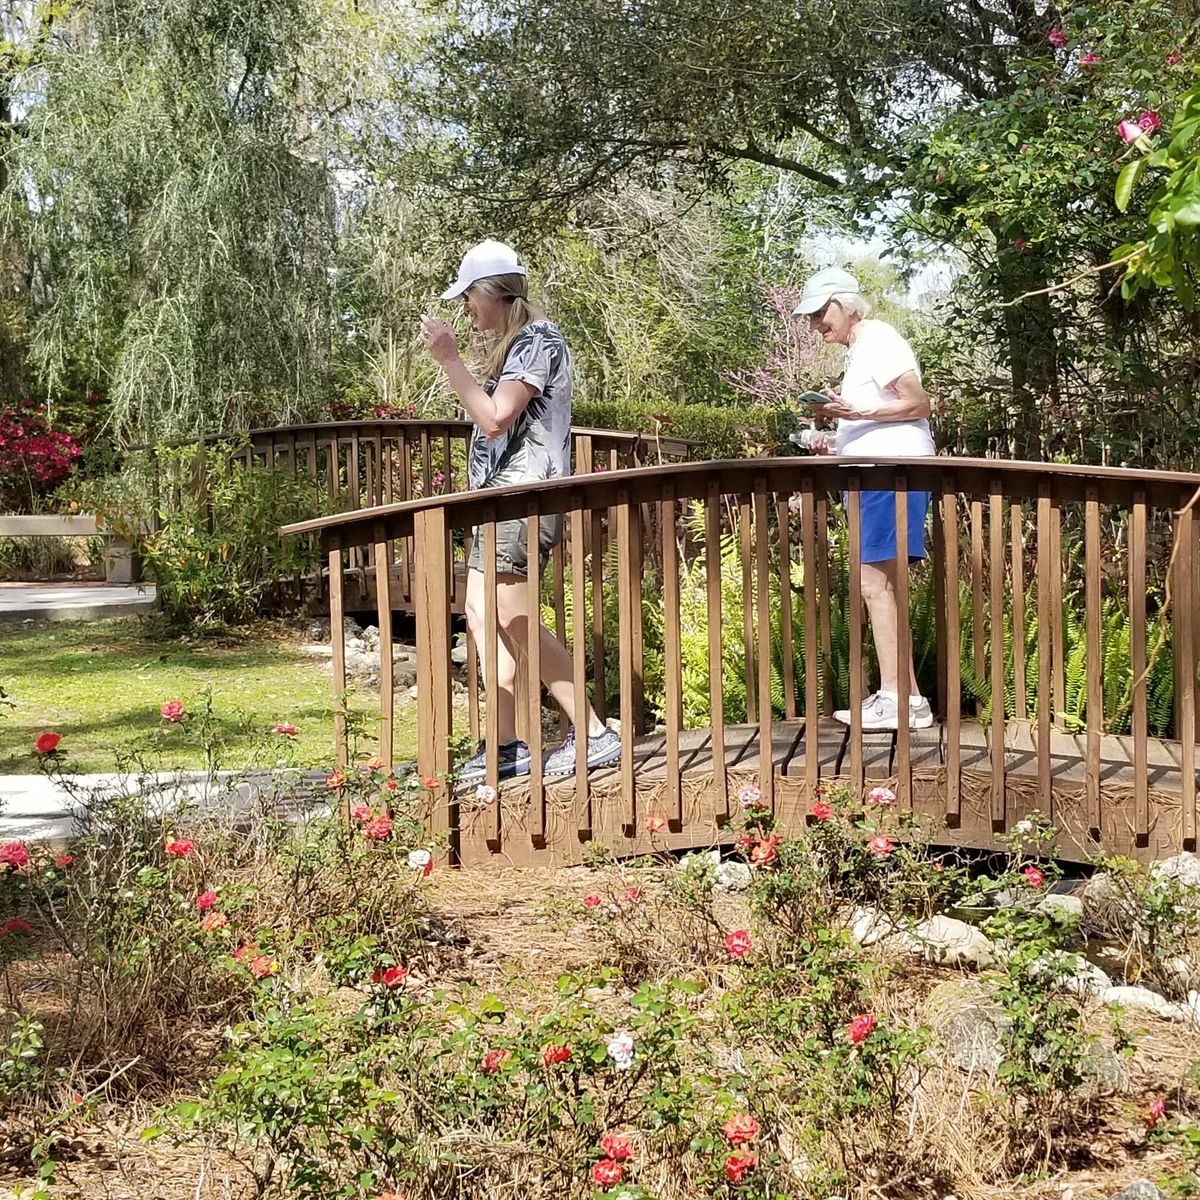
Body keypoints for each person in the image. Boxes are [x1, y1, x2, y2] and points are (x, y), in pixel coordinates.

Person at [419, 239, 622, 783]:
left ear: (492, 292)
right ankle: (508, 746)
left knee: (512, 615)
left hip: (522, 501)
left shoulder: (538, 339)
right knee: (481, 614)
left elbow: (494, 418)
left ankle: (595, 733)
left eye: (468, 297)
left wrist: (450, 360)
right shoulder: (518, 345)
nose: (466, 309)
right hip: (498, 502)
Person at [792, 266, 936, 731]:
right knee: (884, 586)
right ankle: (909, 700)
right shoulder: (861, 349)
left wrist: (856, 413)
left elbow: (918, 403)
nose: (815, 324)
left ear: (845, 303)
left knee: (874, 584)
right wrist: (838, 440)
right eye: (810, 316)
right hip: (878, 472)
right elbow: (878, 416)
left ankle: (895, 699)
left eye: (820, 312)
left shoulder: (878, 339)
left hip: (890, 474)